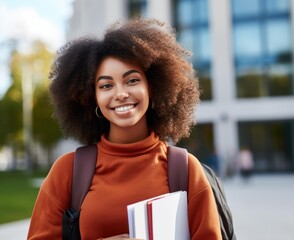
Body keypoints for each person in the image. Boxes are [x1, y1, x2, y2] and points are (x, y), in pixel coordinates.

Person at [27, 18, 221, 240]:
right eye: (106, 85)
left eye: (131, 80)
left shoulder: (185, 169)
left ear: (153, 87)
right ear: (93, 98)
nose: (120, 93)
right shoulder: (67, 171)